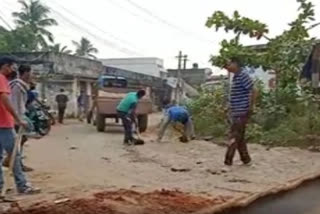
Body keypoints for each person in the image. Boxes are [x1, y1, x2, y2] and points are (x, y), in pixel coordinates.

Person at [0, 56, 40, 195]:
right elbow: (7, 100)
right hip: (5, 123)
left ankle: (1, 187)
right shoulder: (4, 80)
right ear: (5, 66)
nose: (13, 70)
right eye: (12, 67)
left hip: (5, 121)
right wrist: (18, 118)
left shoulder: (12, 83)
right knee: (14, 154)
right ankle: (22, 186)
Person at [224, 58, 257, 166]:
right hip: (237, 111)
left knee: (234, 136)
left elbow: (253, 90)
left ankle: (228, 160)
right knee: (240, 137)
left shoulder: (242, 76)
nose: (227, 66)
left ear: (236, 64)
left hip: (241, 111)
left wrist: (251, 107)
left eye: (229, 64)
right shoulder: (236, 77)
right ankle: (246, 159)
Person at [7, 65, 37, 172]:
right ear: (25, 73)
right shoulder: (17, 86)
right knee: (15, 142)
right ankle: (15, 165)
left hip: (17, 115)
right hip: (14, 117)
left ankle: (14, 163)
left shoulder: (21, 85)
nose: (32, 75)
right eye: (31, 73)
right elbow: (14, 103)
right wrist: (18, 119)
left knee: (21, 139)